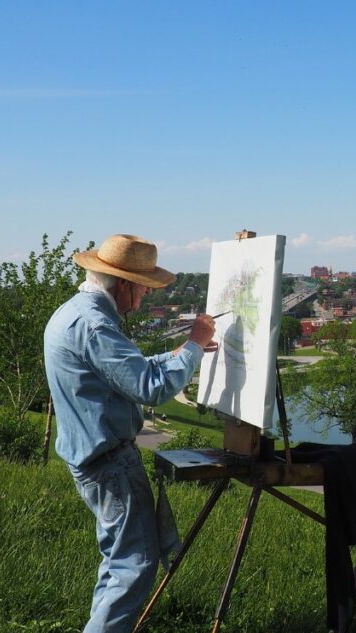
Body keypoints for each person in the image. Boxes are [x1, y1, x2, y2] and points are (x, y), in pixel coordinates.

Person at [44, 233, 217, 633]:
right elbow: (149, 388)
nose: (144, 298)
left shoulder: (75, 313)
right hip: (108, 464)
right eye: (143, 287)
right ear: (123, 283)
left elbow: (123, 369)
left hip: (92, 459)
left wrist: (178, 354)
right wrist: (193, 345)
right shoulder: (95, 325)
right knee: (133, 567)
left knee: (118, 561)